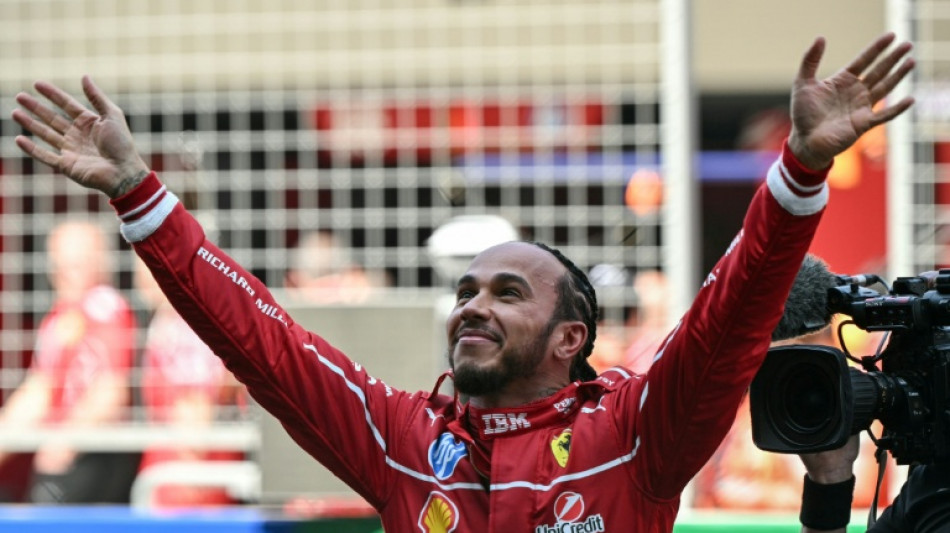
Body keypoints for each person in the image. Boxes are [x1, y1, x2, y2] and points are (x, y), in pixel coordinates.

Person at [11, 32, 913, 531]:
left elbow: (730, 313)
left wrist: (799, 171)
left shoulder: (637, 430)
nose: (473, 305)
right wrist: (140, 195)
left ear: (570, 338)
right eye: (467, 292)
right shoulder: (403, 438)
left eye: (507, 293)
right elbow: (261, 341)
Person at [0, 220, 140, 503]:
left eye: (75, 263)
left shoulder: (105, 307)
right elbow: (38, 391)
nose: (63, 272)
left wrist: (64, 443)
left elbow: (111, 391)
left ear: (100, 262)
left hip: (91, 454)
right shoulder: (60, 316)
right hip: (64, 454)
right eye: (58, 262)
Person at [133, 258, 246, 508]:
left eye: (147, 265)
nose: (140, 278)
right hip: (177, 470)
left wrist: (189, 476)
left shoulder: (185, 326)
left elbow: (196, 409)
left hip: (186, 480)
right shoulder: (168, 320)